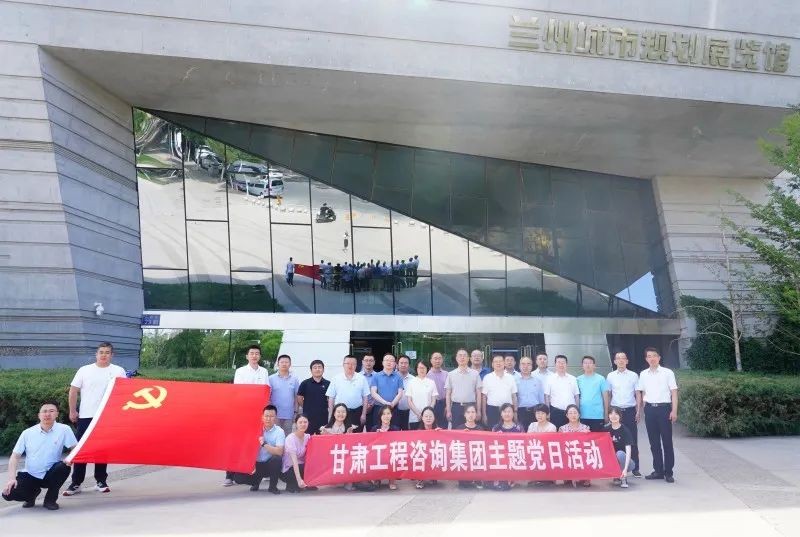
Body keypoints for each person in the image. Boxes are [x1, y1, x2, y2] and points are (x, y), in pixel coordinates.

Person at [63, 342, 126, 496]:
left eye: (107, 352)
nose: (104, 355)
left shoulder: (118, 371)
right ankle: (76, 483)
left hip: (107, 416)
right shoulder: (85, 370)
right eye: (101, 352)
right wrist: (72, 410)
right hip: (86, 415)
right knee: (81, 448)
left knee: (102, 450)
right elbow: (73, 390)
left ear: (112, 355)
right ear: (96, 354)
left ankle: (101, 481)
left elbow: (124, 393)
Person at [3, 401, 76, 510]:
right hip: (31, 474)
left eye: (51, 411)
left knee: (63, 467)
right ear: (39, 415)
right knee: (8, 494)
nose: (47, 414)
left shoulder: (64, 429)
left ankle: (50, 500)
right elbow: (15, 456)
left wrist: (69, 459)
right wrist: (11, 479)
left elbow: (75, 448)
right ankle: (31, 495)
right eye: (44, 411)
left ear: (57, 414)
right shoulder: (27, 433)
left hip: (51, 473)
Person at [225, 344, 271, 486]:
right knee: (237, 442)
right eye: (252, 353)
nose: (254, 356)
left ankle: (257, 472)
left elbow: (266, 390)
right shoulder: (240, 371)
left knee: (257, 441)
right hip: (244, 412)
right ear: (247, 356)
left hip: (259, 413)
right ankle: (229, 475)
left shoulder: (264, 371)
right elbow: (240, 391)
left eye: (257, 353)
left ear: (260, 356)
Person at [637, 347, 678, 483]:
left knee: (667, 442)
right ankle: (658, 470)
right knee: (653, 442)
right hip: (650, 410)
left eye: (654, 355)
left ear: (659, 358)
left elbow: (674, 393)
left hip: (664, 409)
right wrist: (643, 409)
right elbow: (642, 392)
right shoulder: (643, 374)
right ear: (646, 359)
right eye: (649, 356)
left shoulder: (667, 373)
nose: (652, 358)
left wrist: (674, 410)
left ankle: (669, 472)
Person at [231, 405, 284, 494]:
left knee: (277, 459)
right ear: (262, 417)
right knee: (237, 477)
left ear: (275, 418)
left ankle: (272, 487)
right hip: (255, 465)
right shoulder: (254, 429)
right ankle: (256, 481)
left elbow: (279, 451)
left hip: (269, 465)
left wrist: (264, 444)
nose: (268, 419)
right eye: (266, 416)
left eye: (271, 416)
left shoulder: (279, 431)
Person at [606, 351, 642, 477]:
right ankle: (615, 467)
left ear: (627, 361)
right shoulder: (610, 376)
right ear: (614, 361)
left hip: (630, 410)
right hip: (615, 411)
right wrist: (608, 412)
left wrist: (638, 411)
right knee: (614, 439)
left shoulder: (633, 375)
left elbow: (637, 394)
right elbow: (609, 394)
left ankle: (635, 467)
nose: (620, 360)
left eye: (623, 358)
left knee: (632, 439)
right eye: (618, 358)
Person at [326, 355, 370, 431]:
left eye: (353, 364)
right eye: (348, 363)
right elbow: (331, 398)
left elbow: (365, 398)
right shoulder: (336, 378)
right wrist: (330, 415)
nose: (350, 366)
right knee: (340, 434)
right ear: (343, 365)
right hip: (340, 414)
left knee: (356, 435)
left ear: (356, 365)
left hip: (356, 412)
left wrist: (363, 414)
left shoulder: (362, 378)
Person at [446, 348, 482, 428]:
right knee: (456, 432)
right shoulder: (451, 374)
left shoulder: (475, 374)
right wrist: (448, 410)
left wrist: (479, 411)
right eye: (460, 355)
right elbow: (448, 394)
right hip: (456, 407)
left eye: (464, 355)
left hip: (471, 408)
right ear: (456, 358)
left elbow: (478, 394)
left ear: (468, 358)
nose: (462, 357)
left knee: (472, 432)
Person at [491, 403, 523, 491]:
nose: (507, 414)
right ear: (501, 414)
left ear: (513, 413)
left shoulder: (519, 428)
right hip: (500, 456)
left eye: (509, 411)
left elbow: (523, 444)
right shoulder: (496, 428)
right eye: (504, 412)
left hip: (514, 456)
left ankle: (510, 479)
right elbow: (491, 444)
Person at [280, 415, 316, 493]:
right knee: (296, 487)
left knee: (312, 464)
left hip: (302, 467)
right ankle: (294, 483)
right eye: (300, 422)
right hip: (289, 469)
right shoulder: (290, 438)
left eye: (305, 422)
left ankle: (305, 482)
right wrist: (299, 479)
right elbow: (294, 462)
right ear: (296, 424)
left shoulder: (308, 437)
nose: (303, 424)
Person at [559, 404, 591, 487]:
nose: (573, 415)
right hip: (568, 452)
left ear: (579, 414)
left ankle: (585, 476)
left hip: (581, 452)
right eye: (570, 413)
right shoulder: (562, 428)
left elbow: (589, 443)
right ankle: (568, 476)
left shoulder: (585, 428)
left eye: (575, 413)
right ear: (567, 415)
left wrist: (587, 434)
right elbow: (559, 444)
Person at [544, 355, 580, 430]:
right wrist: (548, 412)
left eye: (563, 362)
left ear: (566, 364)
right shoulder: (550, 378)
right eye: (559, 362)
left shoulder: (573, 378)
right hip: (556, 411)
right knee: (557, 433)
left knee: (572, 433)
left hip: (571, 413)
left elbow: (576, 396)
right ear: (555, 364)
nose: (561, 364)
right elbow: (546, 396)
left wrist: (577, 411)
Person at [481, 355, 518, 427]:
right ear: (492, 364)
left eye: (500, 361)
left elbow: (514, 396)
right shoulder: (487, 378)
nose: (498, 363)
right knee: (492, 431)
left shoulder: (510, 377)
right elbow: (484, 397)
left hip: (508, 410)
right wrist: (484, 414)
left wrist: (515, 412)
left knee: (508, 431)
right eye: (496, 362)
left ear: (504, 363)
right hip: (492, 410)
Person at [370, 354, 404, 429]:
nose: (389, 362)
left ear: (395, 364)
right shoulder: (376, 376)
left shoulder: (398, 377)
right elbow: (373, 392)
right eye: (387, 360)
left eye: (391, 361)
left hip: (393, 408)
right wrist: (385, 403)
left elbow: (400, 393)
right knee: (378, 430)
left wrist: (392, 404)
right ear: (383, 362)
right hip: (379, 408)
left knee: (394, 430)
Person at [456, 404, 486, 489]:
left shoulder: (480, 429)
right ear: (464, 414)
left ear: (476, 414)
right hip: (464, 456)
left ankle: (477, 479)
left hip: (476, 456)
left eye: (473, 412)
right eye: (468, 412)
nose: (471, 414)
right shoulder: (459, 428)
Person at [297, 360, 330, 436]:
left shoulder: (328, 384)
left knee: (323, 438)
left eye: (319, 367)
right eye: (315, 367)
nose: (317, 369)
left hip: (323, 416)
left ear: (323, 369)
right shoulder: (305, 383)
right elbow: (299, 398)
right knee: (307, 437)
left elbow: (330, 399)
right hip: (308, 417)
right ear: (311, 370)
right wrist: (306, 406)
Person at [576, 355, 609, 432]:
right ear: (582, 365)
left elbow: (605, 398)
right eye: (585, 363)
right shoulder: (578, 379)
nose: (588, 365)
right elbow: (577, 397)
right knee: (584, 438)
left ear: (594, 365)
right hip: (582, 415)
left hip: (597, 415)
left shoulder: (601, 379)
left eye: (590, 363)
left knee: (597, 437)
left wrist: (606, 414)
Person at [269, 355, 300, 436]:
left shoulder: (294, 379)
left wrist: (296, 412)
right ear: (278, 364)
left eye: (286, 362)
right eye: (282, 362)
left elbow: (296, 397)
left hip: (289, 415)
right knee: (274, 436)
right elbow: (268, 397)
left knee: (287, 437)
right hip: (274, 415)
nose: (284, 364)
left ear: (290, 364)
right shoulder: (270, 379)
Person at [370, 405, 399, 491]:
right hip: (378, 454)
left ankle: (392, 481)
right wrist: (377, 436)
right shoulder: (375, 428)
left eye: (388, 413)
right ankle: (377, 479)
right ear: (380, 416)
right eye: (384, 414)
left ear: (391, 415)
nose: (386, 416)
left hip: (390, 453)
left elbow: (398, 444)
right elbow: (370, 444)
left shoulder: (395, 429)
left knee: (394, 457)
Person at [605, 406, 633, 488]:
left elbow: (628, 451)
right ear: (608, 416)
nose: (613, 416)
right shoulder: (606, 429)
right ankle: (616, 475)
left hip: (627, 462)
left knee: (620, 454)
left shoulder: (625, 430)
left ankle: (623, 476)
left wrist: (625, 469)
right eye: (611, 414)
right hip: (612, 461)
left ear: (620, 416)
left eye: (616, 414)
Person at [406, 361, 438, 430]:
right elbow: (409, 401)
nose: (421, 370)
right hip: (415, 417)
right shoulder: (411, 382)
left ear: (427, 369)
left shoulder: (431, 382)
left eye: (423, 368)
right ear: (416, 369)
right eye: (420, 368)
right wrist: (418, 414)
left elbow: (433, 400)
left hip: (428, 418)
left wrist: (427, 413)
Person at [516, 356, 544, 430]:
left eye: (528, 364)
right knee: (521, 434)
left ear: (532, 366)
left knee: (535, 434)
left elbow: (541, 399)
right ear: (519, 366)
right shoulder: (514, 381)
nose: (526, 366)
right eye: (523, 364)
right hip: (520, 412)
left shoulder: (538, 381)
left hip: (535, 412)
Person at [414, 407, 440, 489]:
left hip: (433, 455)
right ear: (422, 418)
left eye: (430, 416)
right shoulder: (418, 432)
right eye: (426, 416)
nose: (428, 418)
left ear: (434, 417)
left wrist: (441, 434)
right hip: (422, 455)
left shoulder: (438, 430)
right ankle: (420, 479)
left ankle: (433, 476)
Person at [427, 352, 449, 428]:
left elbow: (449, 391)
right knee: (431, 427)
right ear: (431, 360)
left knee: (443, 428)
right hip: (431, 404)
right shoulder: (427, 374)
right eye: (435, 358)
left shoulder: (447, 374)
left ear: (442, 360)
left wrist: (448, 406)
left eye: (439, 358)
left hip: (444, 403)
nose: (437, 361)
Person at [395, 355, 414, 430]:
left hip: (409, 412)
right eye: (401, 363)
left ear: (409, 365)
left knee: (407, 434)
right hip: (394, 411)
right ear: (397, 364)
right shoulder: (392, 377)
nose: (403, 365)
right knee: (395, 433)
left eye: (406, 363)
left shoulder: (413, 379)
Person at [360, 354, 378, 432]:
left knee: (372, 432)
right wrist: (364, 404)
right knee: (357, 432)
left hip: (373, 408)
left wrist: (371, 404)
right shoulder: (357, 376)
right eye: (366, 360)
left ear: (374, 362)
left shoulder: (378, 376)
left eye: (371, 361)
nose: (368, 363)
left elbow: (379, 392)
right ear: (362, 362)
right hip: (360, 408)